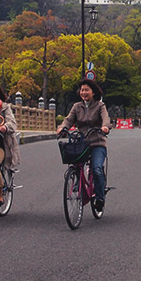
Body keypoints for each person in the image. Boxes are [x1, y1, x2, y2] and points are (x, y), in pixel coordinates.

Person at [56, 79, 111, 211]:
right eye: (82, 90)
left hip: (97, 143)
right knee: (75, 162)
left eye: (86, 90)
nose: (84, 92)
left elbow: (106, 118)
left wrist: (105, 127)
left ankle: (99, 197)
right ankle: (77, 180)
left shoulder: (100, 106)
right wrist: (62, 128)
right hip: (82, 143)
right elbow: (69, 119)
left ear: (93, 92)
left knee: (96, 169)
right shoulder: (77, 106)